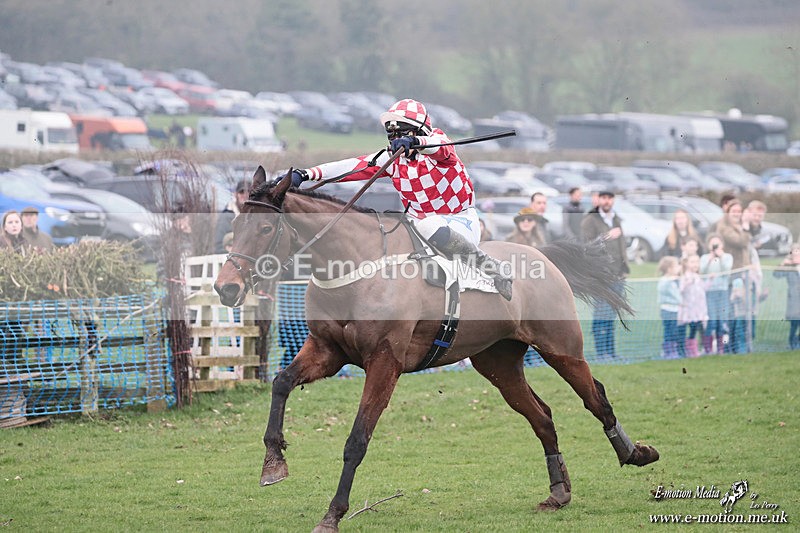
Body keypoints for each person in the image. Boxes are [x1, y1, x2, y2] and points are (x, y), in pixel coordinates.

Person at [290, 98, 512, 300]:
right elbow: (352, 166)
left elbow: (438, 146)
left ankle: (487, 264)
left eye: (403, 134)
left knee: (428, 225)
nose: (396, 140)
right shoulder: (393, 159)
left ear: (419, 131)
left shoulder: (442, 148)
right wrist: (306, 174)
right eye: (393, 135)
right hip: (417, 226)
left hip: (459, 222)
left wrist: (416, 142)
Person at [581, 190, 629, 359]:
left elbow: (621, 246)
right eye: (604, 198)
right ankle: (601, 352)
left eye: (610, 198)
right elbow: (586, 246)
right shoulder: (590, 220)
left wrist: (624, 268)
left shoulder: (616, 219)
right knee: (601, 314)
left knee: (611, 314)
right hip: (600, 276)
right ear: (599, 200)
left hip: (617, 275)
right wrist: (606, 236)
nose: (607, 201)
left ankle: (611, 352)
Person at [700, 233, 733, 354]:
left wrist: (721, 257)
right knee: (711, 319)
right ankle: (707, 349)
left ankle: (721, 348)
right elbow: (701, 272)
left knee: (721, 321)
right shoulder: (704, 258)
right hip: (709, 292)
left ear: (722, 245)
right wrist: (709, 260)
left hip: (722, 291)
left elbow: (726, 271)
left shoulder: (727, 257)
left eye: (717, 243)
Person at [678, 254, 708, 358]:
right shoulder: (684, 277)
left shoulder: (698, 276)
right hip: (687, 309)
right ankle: (684, 350)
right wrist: (687, 283)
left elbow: (703, 288)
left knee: (695, 329)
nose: (695, 264)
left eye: (697, 262)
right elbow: (680, 290)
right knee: (685, 329)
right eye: (692, 262)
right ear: (687, 264)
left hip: (697, 309)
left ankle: (694, 350)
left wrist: (710, 280)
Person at [773, 244, 800, 350]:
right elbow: (776, 275)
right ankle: (792, 344)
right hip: (794, 300)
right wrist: (782, 264)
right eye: (794, 254)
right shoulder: (789, 267)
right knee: (794, 324)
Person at [214, 179, 250, 254]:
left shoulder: (257, 216)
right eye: (241, 192)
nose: (245, 195)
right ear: (236, 194)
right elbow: (218, 247)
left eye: (248, 192)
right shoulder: (226, 216)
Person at [657, 256, 682, 359]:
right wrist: (682, 302)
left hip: (674, 310)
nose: (679, 268)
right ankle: (668, 352)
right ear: (669, 269)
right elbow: (676, 296)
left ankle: (673, 351)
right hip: (667, 310)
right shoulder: (665, 281)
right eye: (676, 266)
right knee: (669, 331)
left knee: (674, 331)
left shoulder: (673, 281)